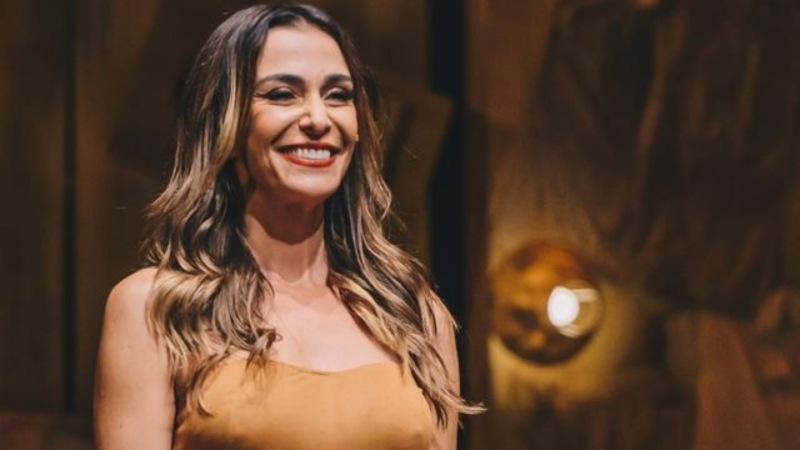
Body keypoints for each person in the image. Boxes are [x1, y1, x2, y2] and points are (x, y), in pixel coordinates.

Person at [93, 4, 481, 449]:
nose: (318, 118)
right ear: (225, 121)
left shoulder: (413, 312)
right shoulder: (156, 308)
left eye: (338, 95)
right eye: (282, 95)